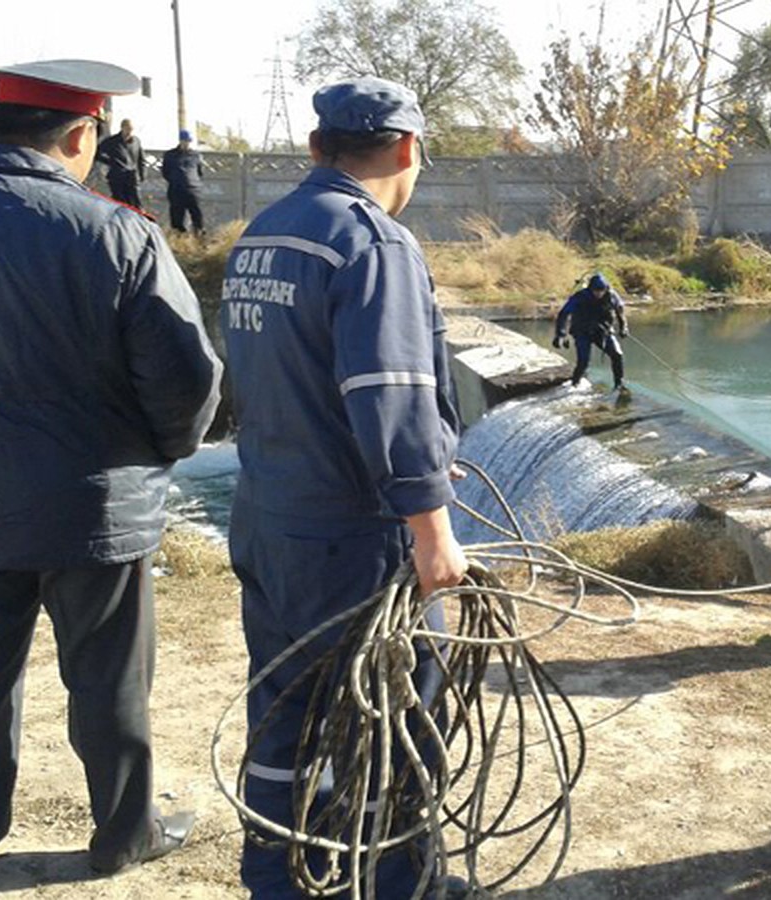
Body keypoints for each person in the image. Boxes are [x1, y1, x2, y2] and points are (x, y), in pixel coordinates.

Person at [220, 77, 473, 899]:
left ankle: (279, 878)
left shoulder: (267, 231)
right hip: (351, 538)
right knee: (400, 713)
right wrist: (431, 530)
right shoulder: (374, 242)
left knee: (287, 710)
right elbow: (390, 393)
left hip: (269, 516)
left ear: (318, 147)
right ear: (407, 149)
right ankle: (405, 883)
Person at [0, 60, 221, 873]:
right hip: (94, 504)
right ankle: (125, 835)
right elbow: (185, 380)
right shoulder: (116, 232)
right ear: (81, 134)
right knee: (110, 683)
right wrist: (162, 451)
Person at [553, 272, 629, 390]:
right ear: (590, 289)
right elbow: (564, 314)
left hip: (603, 331)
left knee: (617, 354)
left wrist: (623, 327)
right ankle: (575, 384)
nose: (598, 293)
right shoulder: (580, 297)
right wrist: (561, 334)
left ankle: (619, 383)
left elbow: (620, 310)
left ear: (606, 289)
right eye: (595, 290)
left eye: (601, 290)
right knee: (583, 361)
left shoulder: (611, 296)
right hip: (582, 331)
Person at [161, 128, 204, 233]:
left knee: (197, 217)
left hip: (193, 190)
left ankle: (198, 238)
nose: (186, 144)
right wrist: (175, 180)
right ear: (180, 141)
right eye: (184, 141)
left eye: (188, 141)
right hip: (176, 190)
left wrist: (193, 182)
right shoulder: (170, 155)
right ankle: (179, 240)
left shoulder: (196, 155)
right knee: (177, 219)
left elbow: (199, 172)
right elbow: (165, 172)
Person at [96, 116, 144, 207]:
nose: (130, 131)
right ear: (122, 128)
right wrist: (110, 161)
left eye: (131, 129)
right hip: (117, 177)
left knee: (136, 204)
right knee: (120, 203)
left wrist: (141, 175)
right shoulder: (112, 141)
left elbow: (141, 159)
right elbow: (97, 152)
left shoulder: (136, 141)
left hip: (132, 177)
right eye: (128, 128)